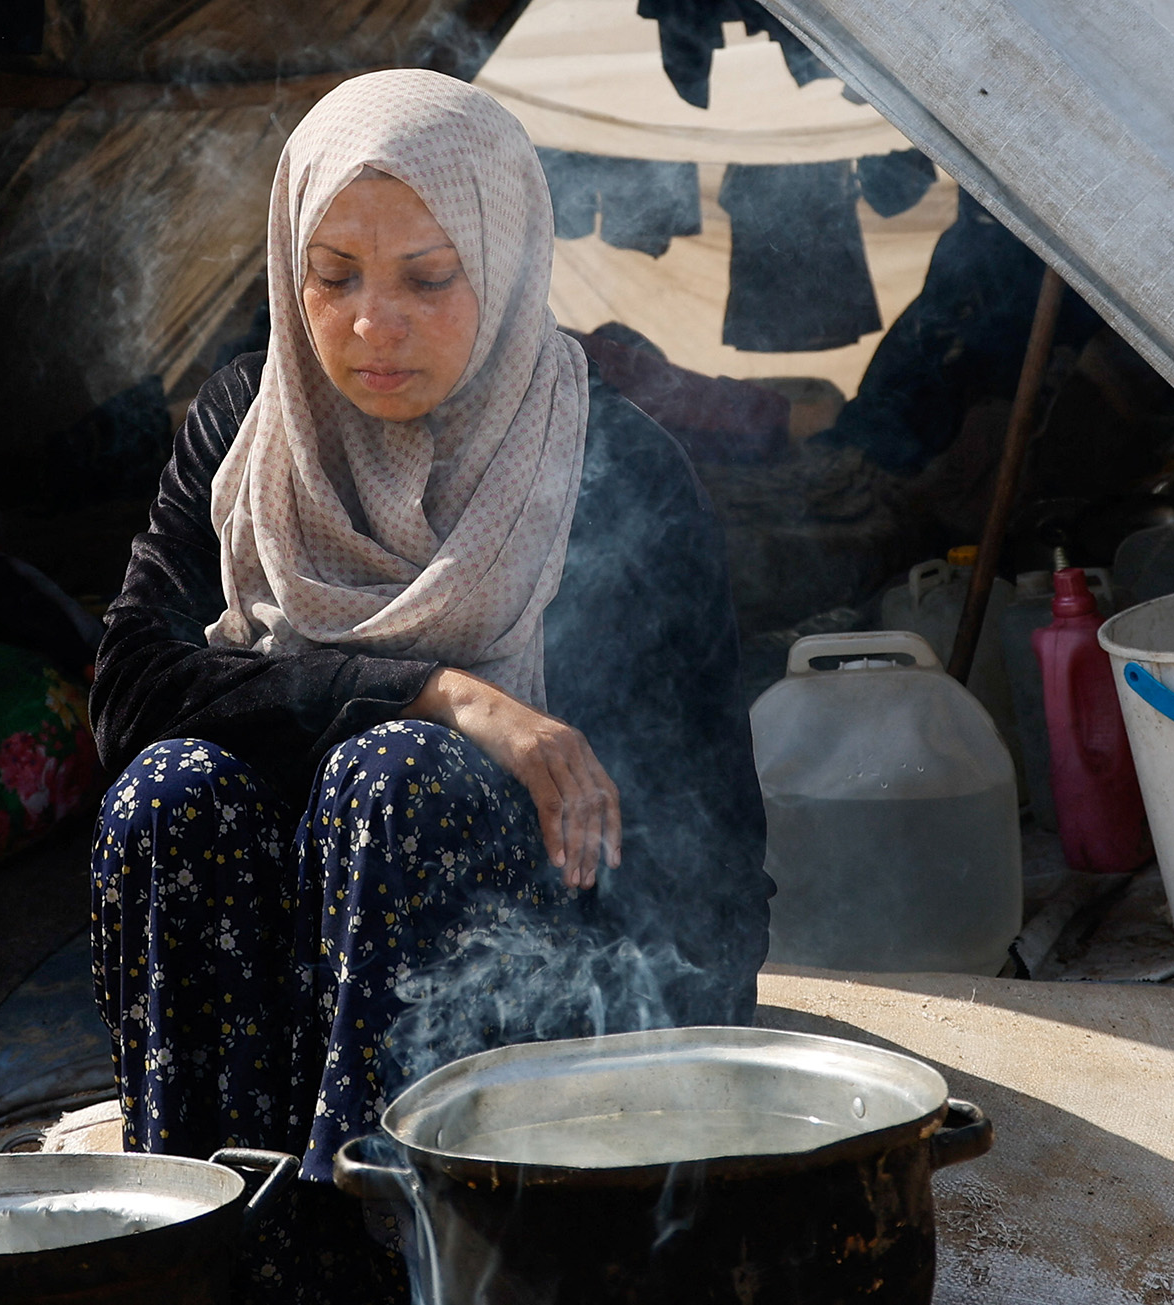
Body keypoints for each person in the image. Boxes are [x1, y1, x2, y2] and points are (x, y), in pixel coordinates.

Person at [88, 69, 770, 1300]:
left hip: (532, 1011)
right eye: (333, 274)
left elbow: (709, 842)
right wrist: (441, 689)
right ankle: (206, 1242)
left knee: (394, 784)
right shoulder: (251, 427)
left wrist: (680, 1093)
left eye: (427, 277)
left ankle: (391, 1250)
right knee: (170, 795)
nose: (369, 324)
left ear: (504, 262)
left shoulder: (610, 467)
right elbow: (131, 690)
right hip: (278, 1003)